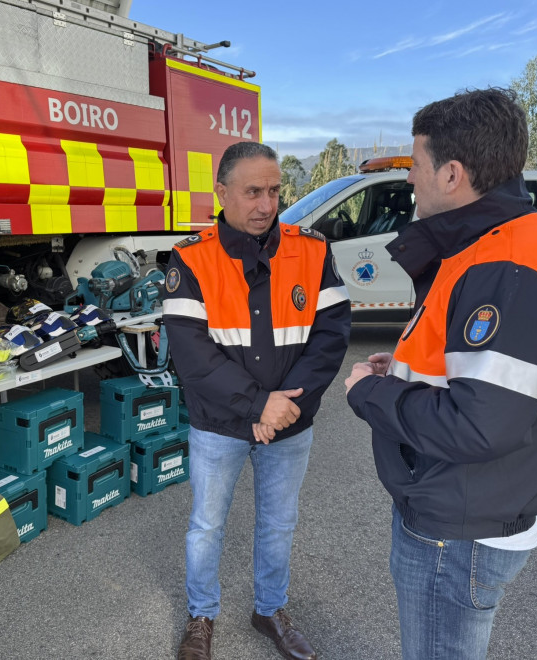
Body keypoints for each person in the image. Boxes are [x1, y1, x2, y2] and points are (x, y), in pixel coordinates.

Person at [344, 88, 537, 660]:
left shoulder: (508, 263)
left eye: (416, 165)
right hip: (458, 508)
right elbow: (473, 377)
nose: (410, 180)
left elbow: (482, 425)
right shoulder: (491, 247)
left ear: (452, 173)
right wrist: (403, 372)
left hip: (459, 528)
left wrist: (370, 394)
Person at [164, 141, 351, 660]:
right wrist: (258, 405)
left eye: (273, 191)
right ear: (221, 193)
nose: (266, 204)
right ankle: (201, 616)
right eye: (252, 192)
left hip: (289, 423)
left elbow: (332, 333)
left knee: (278, 523)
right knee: (206, 525)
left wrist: (286, 405)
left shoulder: (311, 249)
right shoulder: (190, 256)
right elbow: (192, 355)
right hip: (219, 425)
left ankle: (270, 609)